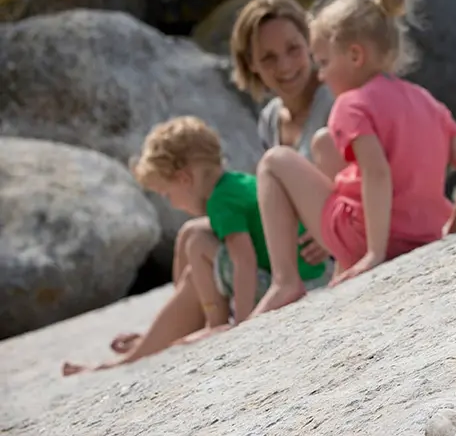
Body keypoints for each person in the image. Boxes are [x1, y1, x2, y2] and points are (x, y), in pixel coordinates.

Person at [248, 0, 456, 318]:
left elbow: (377, 173)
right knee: (325, 144)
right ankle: (341, 264)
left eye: (324, 62)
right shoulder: (427, 100)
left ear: (355, 56)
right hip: (425, 235)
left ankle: (286, 281)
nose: (320, 74)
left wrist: (374, 253)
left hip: (368, 238)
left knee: (275, 161)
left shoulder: (351, 104)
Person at [62, 116, 327, 375]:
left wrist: (244, 323)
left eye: (168, 194)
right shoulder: (233, 184)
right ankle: (171, 329)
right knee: (192, 233)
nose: (172, 203)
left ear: (185, 178)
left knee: (199, 243)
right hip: (307, 271)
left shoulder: (222, 203)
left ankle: (213, 322)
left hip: (295, 280)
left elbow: (243, 261)